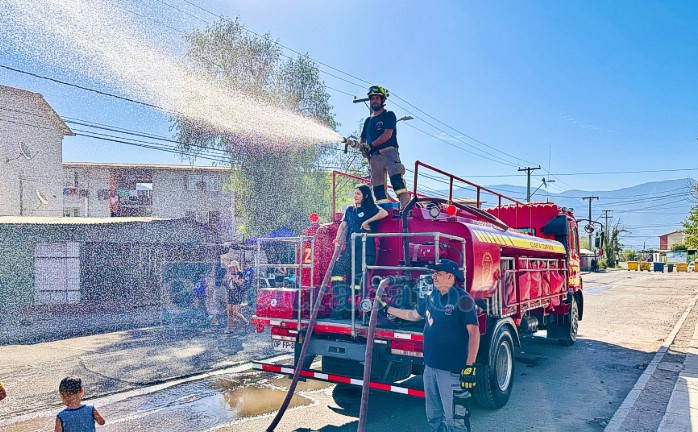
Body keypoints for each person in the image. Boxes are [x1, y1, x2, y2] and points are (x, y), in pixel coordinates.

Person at [380, 259, 480, 432]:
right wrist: (387, 309)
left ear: (450, 276)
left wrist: (469, 366)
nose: (433, 276)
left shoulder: (463, 299)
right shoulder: (431, 296)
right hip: (430, 368)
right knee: (433, 415)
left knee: (455, 418)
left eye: (438, 273)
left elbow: (474, 333)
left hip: (451, 371)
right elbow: (413, 315)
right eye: (433, 273)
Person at [359, 85, 410, 208]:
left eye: (377, 98)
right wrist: (362, 147)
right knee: (378, 188)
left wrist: (370, 146)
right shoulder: (368, 121)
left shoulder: (389, 115)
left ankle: (406, 209)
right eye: (372, 99)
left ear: (383, 100)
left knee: (396, 181)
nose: (374, 101)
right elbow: (363, 138)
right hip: (374, 157)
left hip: (389, 153)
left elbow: (387, 134)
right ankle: (383, 211)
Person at [333, 185, 389, 284]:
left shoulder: (371, 208)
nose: (355, 196)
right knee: (337, 269)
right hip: (350, 247)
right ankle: (340, 294)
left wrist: (367, 221)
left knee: (357, 275)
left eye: (358, 194)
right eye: (355, 193)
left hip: (364, 249)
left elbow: (384, 213)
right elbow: (342, 225)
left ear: (366, 196)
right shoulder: (350, 210)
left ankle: (355, 296)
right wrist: (337, 238)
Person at [224, 262, 249, 333]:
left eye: (233, 267)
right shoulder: (228, 274)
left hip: (237, 294)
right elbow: (225, 283)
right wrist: (226, 278)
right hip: (230, 293)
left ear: (236, 267)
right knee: (229, 311)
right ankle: (230, 328)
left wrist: (234, 279)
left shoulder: (240, 274)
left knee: (235, 312)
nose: (231, 268)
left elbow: (241, 284)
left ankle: (245, 321)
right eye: (230, 267)